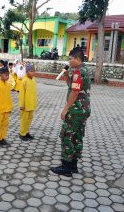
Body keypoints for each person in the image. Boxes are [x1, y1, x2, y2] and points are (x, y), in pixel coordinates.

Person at [50, 49, 91, 177]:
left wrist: (65, 109)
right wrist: (67, 75)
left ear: (77, 59)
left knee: (67, 136)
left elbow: (75, 92)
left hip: (75, 110)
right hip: (83, 110)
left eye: (70, 58)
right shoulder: (83, 70)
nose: (69, 61)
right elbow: (71, 86)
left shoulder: (78, 72)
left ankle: (66, 167)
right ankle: (73, 165)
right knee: (77, 137)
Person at [0, 67, 13, 147]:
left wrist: (10, 107)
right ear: (1, 75)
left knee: (5, 125)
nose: (7, 76)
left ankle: (3, 138)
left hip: (6, 109)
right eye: (5, 75)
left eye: (8, 75)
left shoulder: (8, 84)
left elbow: (8, 97)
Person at [19, 64, 37, 141]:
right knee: (24, 119)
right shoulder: (24, 80)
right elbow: (21, 94)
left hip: (31, 104)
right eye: (31, 71)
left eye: (34, 71)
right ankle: (22, 133)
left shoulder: (34, 79)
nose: (33, 73)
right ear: (27, 72)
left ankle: (26, 132)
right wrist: (21, 105)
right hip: (25, 105)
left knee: (29, 119)